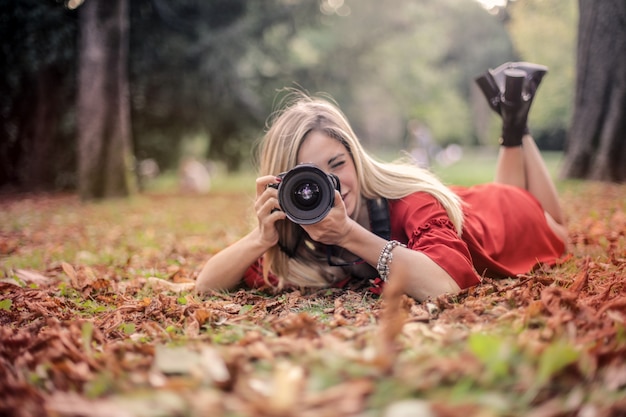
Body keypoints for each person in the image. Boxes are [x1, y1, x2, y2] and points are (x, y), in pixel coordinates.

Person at [195, 62, 567, 302]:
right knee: (512, 191)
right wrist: (261, 239)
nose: (332, 185)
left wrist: (347, 234)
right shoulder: (292, 235)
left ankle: (516, 126)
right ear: (284, 186)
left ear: (356, 159)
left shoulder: (409, 201)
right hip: (481, 210)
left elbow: (445, 287)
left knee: (559, 231)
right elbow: (206, 286)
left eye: (337, 164)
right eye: (308, 179)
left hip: (506, 221)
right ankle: (514, 115)